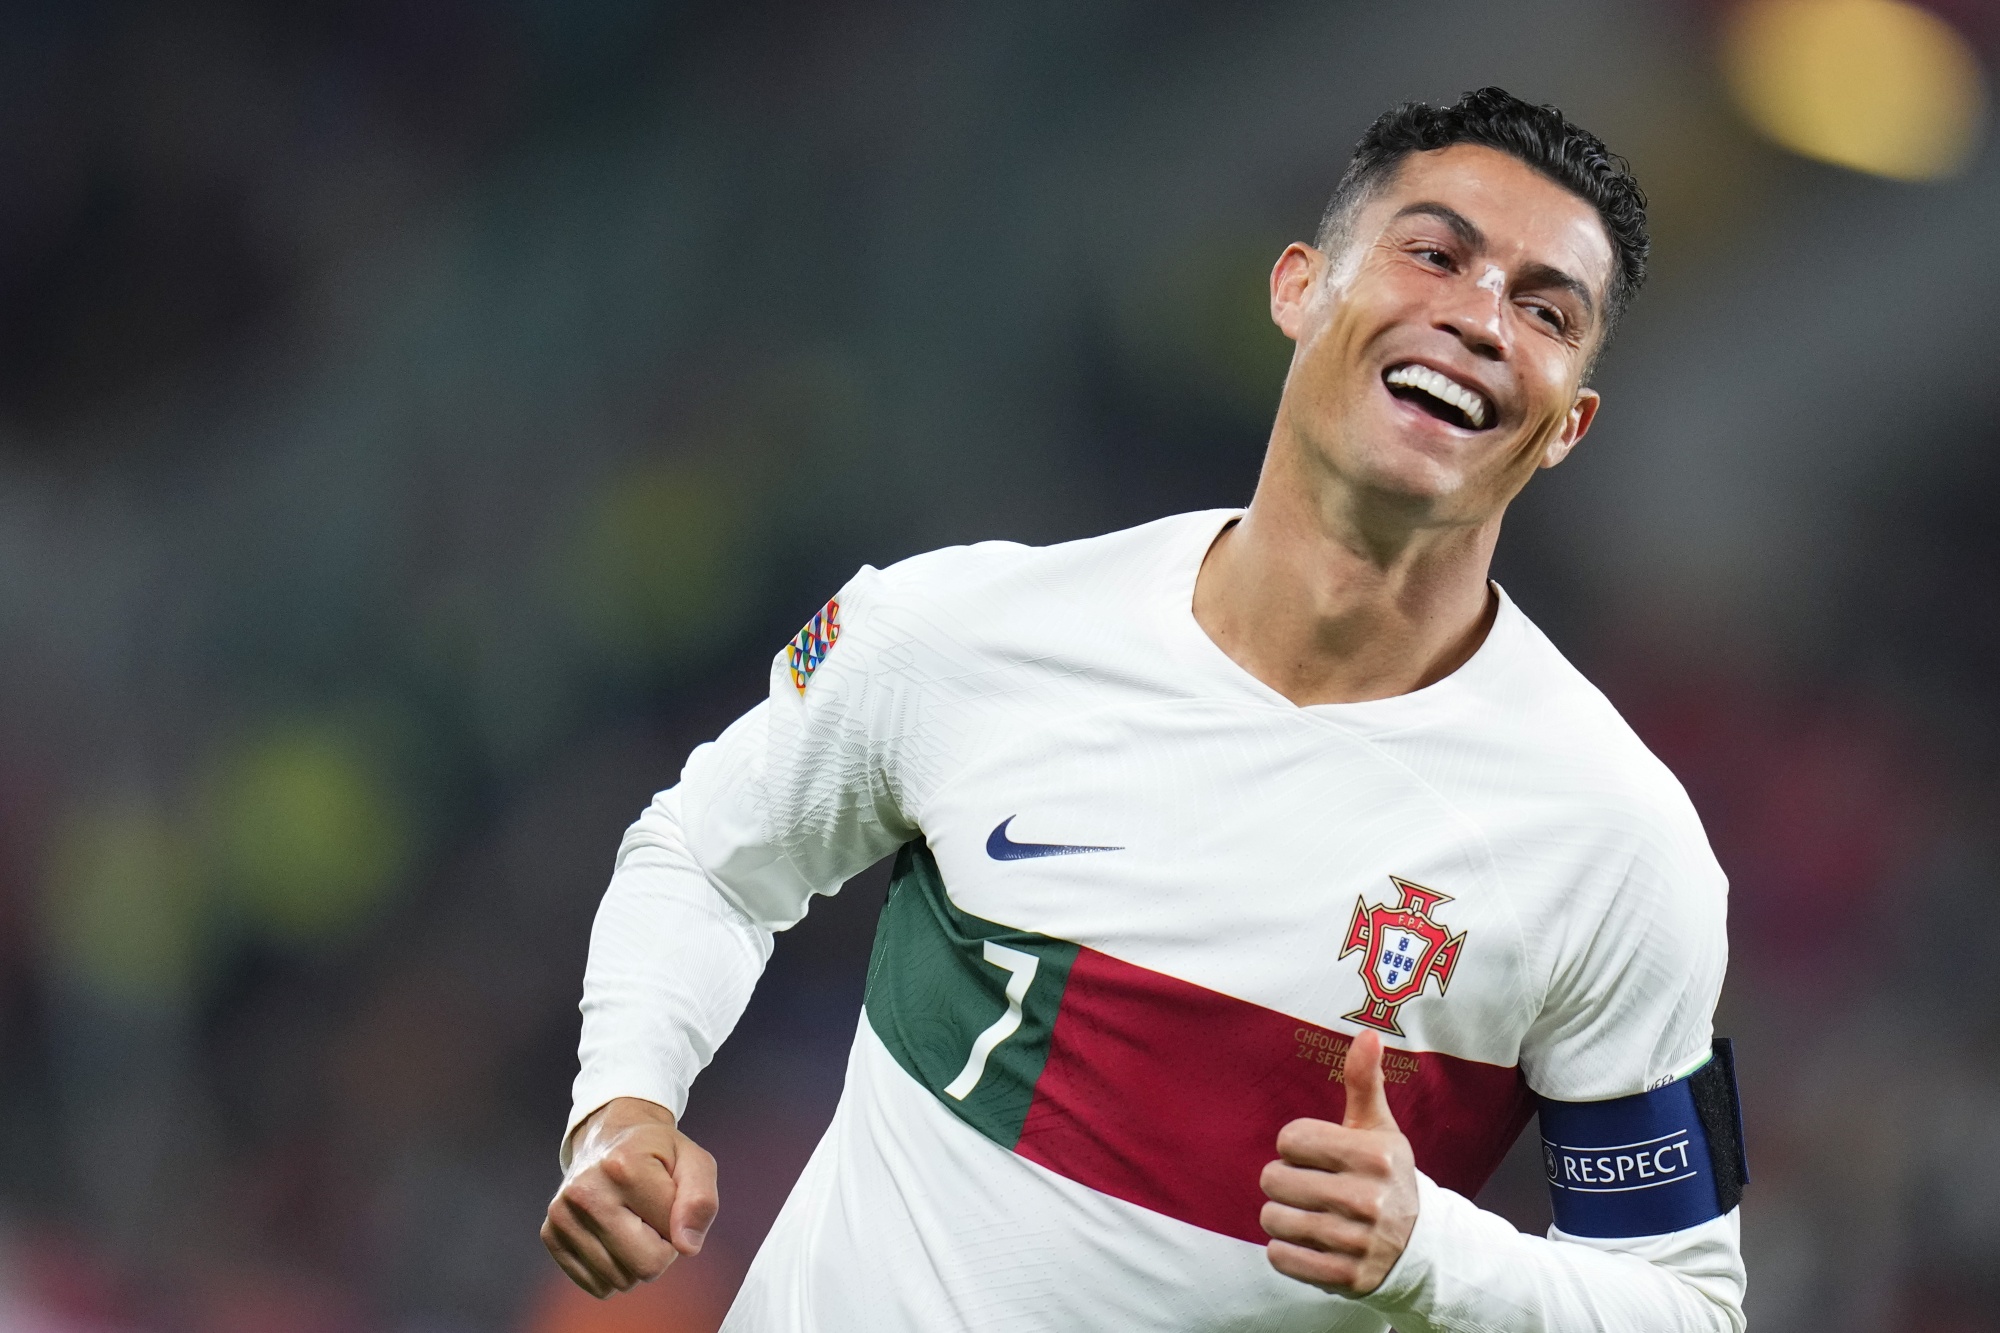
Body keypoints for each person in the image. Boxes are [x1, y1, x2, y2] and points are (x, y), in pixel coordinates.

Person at [540, 87, 1748, 1332]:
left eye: (1543, 309)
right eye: (1433, 253)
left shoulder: (1615, 845)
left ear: (1567, 426)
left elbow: (1685, 1305)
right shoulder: (963, 631)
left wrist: (1434, 1255)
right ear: (1297, 289)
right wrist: (624, 1101)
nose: (1477, 318)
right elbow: (707, 854)